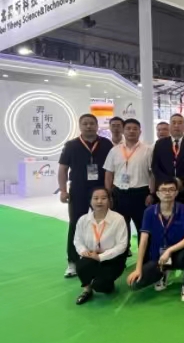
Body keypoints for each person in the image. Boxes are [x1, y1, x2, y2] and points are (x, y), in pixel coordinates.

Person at [126, 179, 184, 302]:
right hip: (158, 259)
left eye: (171, 189)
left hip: (178, 256)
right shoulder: (149, 212)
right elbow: (143, 241)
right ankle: (163, 273)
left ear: (176, 193)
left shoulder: (183, 210)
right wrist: (138, 268)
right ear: (158, 193)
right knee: (134, 284)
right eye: (164, 190)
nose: (167, 193)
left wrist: (170, 250)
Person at [58, 114, 113, 278]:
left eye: (91, 123)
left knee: (104, 223)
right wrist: (63, 190)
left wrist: (111, 191)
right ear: (80, 126)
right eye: (85, 124)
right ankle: (73, 261)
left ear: (97, 126)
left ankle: (104, 257)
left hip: (101, 189)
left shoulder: (106, 144)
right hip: (79, 190)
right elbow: (62, 169)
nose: (88, 126)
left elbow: (112, 168)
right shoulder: (71, 145)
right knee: (76, 224)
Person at [104, 118, 154, 254]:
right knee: (120, 227)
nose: (131, 131)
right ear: (123, 131)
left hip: (141, 194)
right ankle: (121, 255)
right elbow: (109, 173)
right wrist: (108, 195)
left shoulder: (148, 150)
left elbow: (152, 174)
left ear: (140, 132)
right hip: (119, 193)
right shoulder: (114, 150)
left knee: (143, 227)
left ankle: (145, 258)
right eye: (128, 128)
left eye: (135, 129)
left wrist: (151, 193)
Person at [73, 187, 128, 305]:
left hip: (113, 259)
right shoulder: (83, 220)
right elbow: (77, 240)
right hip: (91, 256)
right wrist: (83, 251)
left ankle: (106, 283)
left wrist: (101, 257)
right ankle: (87, 290)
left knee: (101, 286)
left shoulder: (118, 219)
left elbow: (122, 245)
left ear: (109, 200)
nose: (99, 201)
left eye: (103, 198)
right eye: (96, 198)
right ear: (90, 201)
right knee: (81, 265)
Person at [152, 113, 184, 220]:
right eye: (173, 123)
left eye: (180, 123)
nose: (176, 125)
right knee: (166, 218)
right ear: (169, 126)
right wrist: (170, 182)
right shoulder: (160, 144)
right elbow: (155, 166)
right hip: (165, 189)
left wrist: (181, 180)